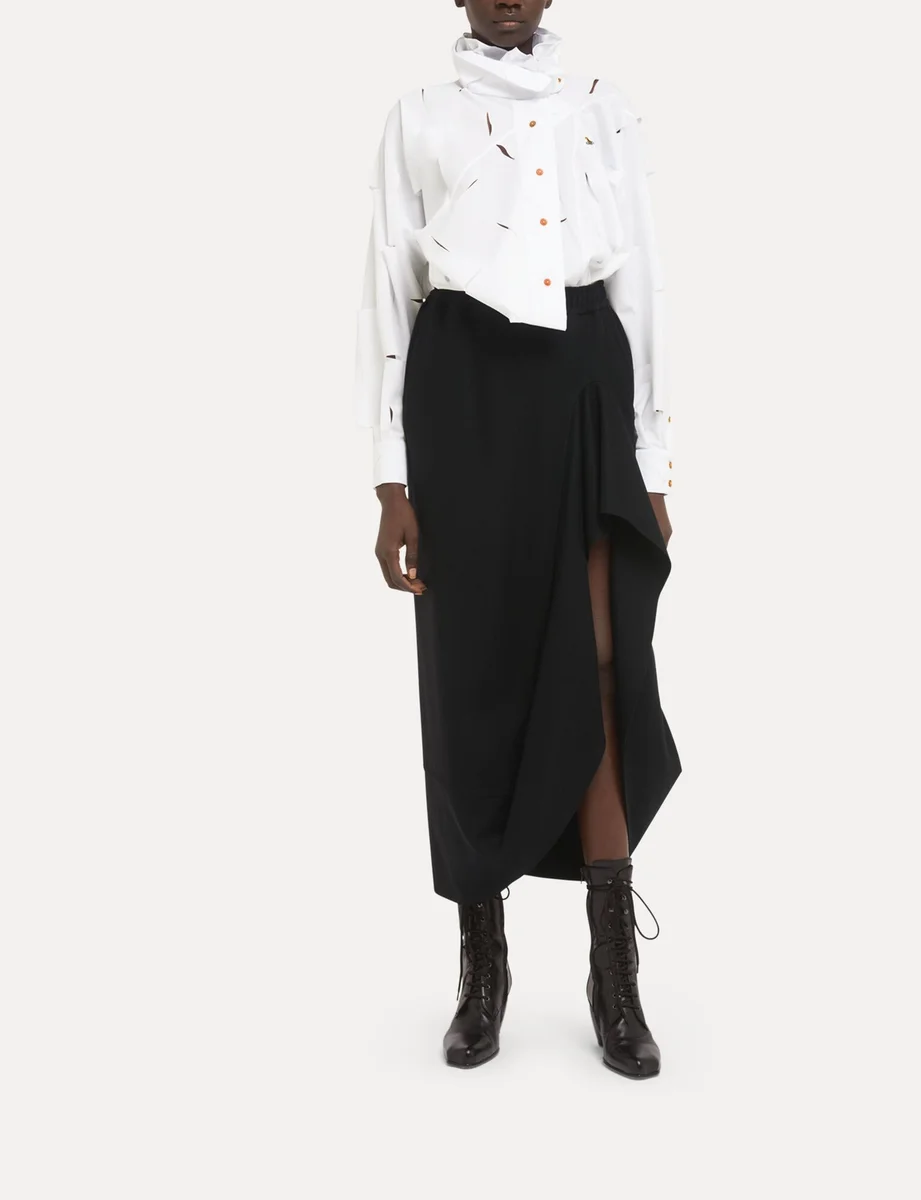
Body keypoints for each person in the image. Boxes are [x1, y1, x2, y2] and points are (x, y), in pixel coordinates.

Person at [353, 0, 681, 1079]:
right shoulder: (417, 116)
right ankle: (482, 965)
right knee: (472, 673)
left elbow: (638, 280)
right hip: (462, 393)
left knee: (599, 661)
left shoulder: (601, 107)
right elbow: (388, 295)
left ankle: (611, 973)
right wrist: (390, 477)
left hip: (581, 384)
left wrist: (651, 455)